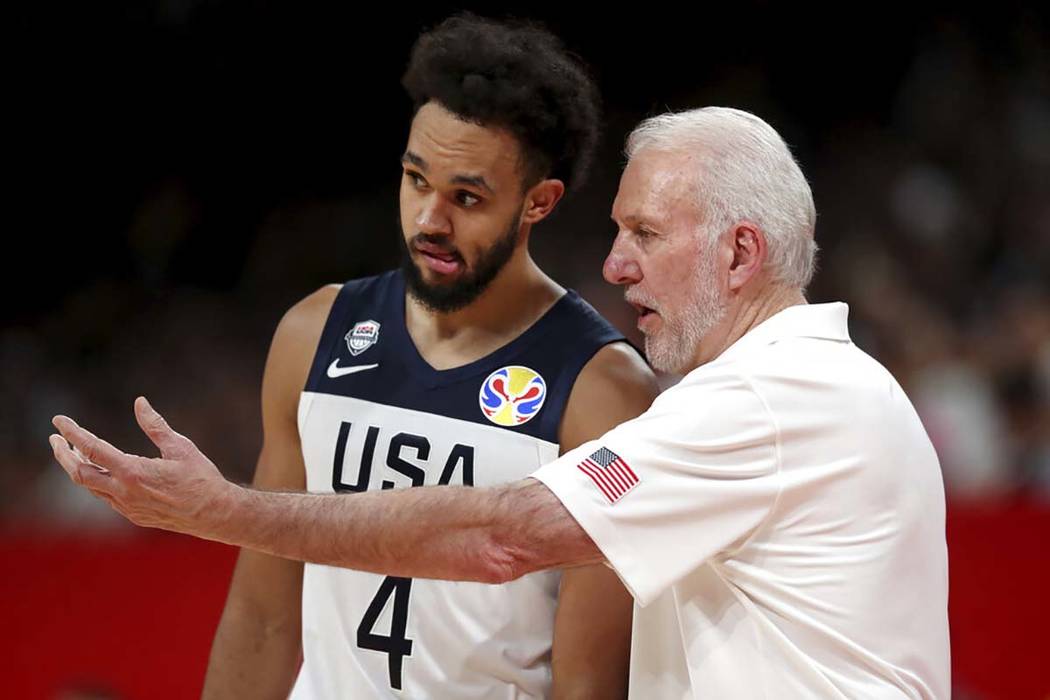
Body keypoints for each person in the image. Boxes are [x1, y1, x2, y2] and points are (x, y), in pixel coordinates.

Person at [52, 106, 951, 699]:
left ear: (740, 254)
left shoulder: (766, 399)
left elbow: (500, 535)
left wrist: (228, 512)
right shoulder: (818, 385)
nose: (614, 265)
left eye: (643, 233)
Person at [124, 13, 657, 700]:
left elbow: (587, 683)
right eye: (415, 180)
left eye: (467, 197)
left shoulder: (604, 391)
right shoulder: (314, 333)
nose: (430, 219)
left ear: (538, 202)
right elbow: (262, 616)